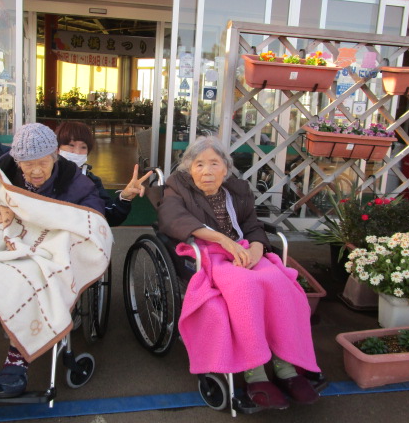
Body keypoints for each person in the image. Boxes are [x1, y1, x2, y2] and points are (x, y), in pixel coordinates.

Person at [157, 136, 321, 411]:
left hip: (243, 250)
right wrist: (223, 240)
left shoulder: (237, 190)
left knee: (280, 283)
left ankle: (286, 367)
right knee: (245, 288)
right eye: (199, 164)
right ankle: (255, 374)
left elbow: (251, 224)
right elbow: (173, 219)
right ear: (189, 168)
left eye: (214, 163)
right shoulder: (177, 187)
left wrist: (257, 249)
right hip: (209, 254)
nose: (207, 171)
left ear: (226, 168)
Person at [0, 123, 106, 399]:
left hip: (46, 253)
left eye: (43, 163)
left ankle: (17, 359)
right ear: (17, 162)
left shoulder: (75, 182)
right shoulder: (0, 177)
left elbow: (91, 218)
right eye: (28, 164)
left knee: (33, 276)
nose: (36, 171)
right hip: (4, 247)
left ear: (54, 157)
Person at [55, 120, 152, 226]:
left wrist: (124, 198)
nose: (77, 152)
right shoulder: (46, 178)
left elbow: (109, 216)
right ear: (57, 149)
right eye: (71, 145)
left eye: (83, 147)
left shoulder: (91, 181)